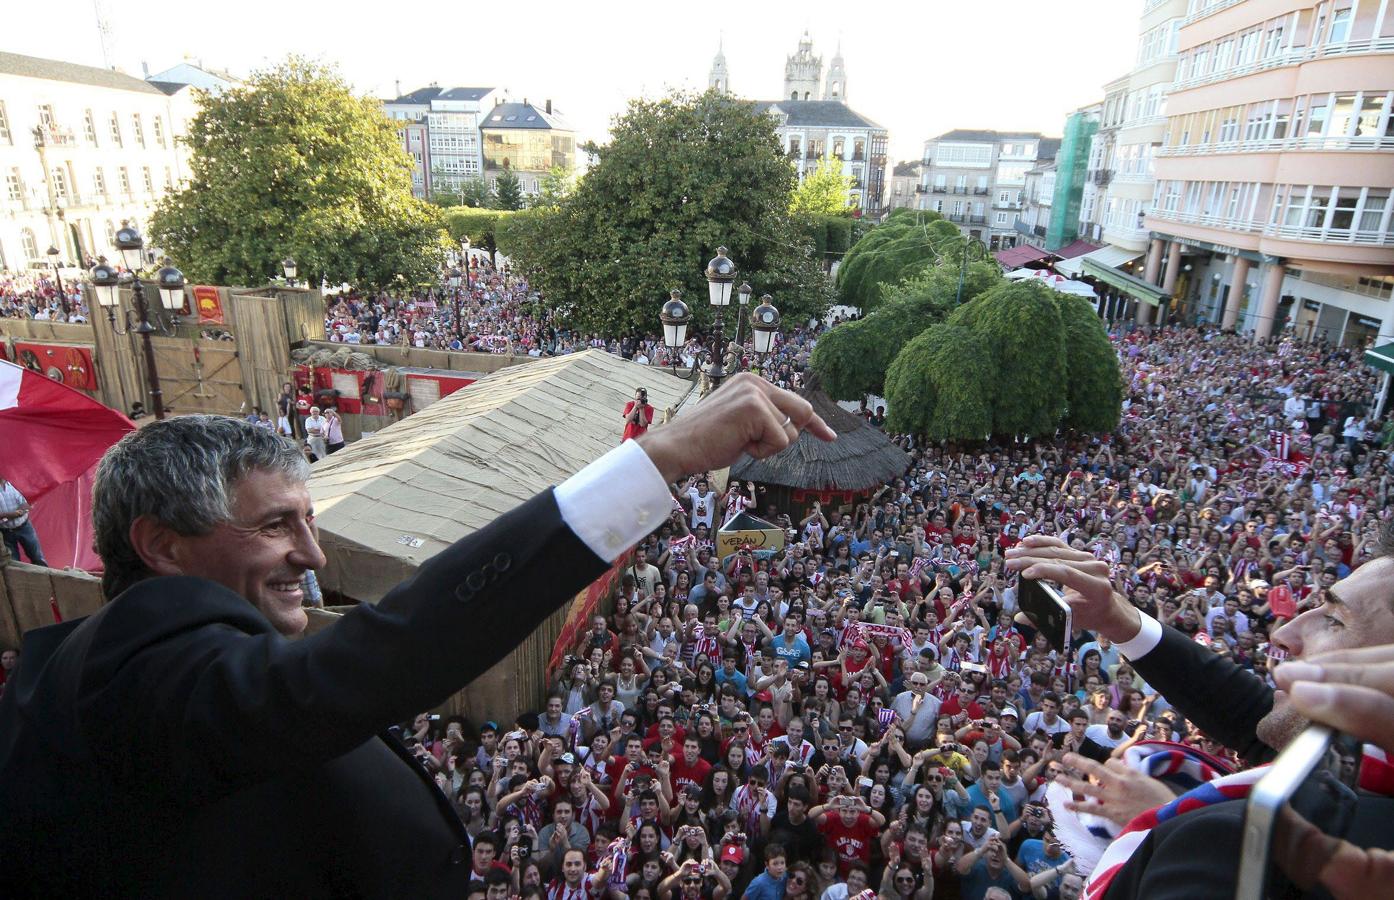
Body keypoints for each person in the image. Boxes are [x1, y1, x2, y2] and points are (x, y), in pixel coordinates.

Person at [0, 373, 835, 896]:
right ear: (160, 546)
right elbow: (376, 658)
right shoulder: (134, 665)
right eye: (275, 525)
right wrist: (657, 460)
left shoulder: (157, 677)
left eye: (311, 519)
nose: (314, 553)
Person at [1005, 532, 1394, 899]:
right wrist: (1117, 617)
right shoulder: (1359, 772)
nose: (1284, 633)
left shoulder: (1231, 844)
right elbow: (1258, 718)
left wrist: (1169, 821)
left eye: (1334, 620)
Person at [0, 474, 46, 567]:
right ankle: (18, 580)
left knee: (37, 556)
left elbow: (30, 500)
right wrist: (10, 515)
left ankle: (45, 579)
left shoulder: (17, 483)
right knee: (13, 563)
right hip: (5, 532)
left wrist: (21, 510)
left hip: (24, 527)